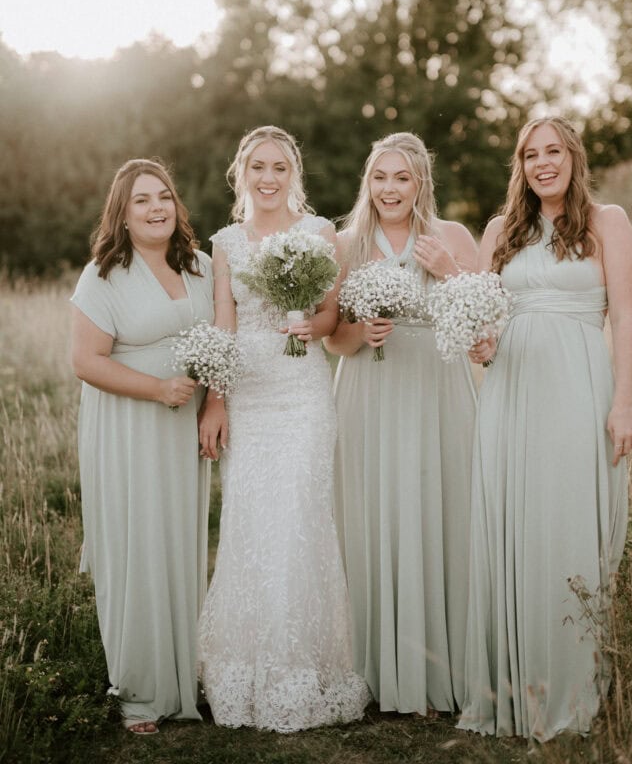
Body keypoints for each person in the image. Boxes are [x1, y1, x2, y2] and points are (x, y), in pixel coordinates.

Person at [458, 116, 632, 742]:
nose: (542, 164)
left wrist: (624, 401)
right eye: (530, 154)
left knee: (565, 523)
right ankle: (511, 688)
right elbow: (479, 318)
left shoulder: (606, 222)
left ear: (572, 157)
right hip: (510, 392)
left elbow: (626, 320)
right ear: (521, 165)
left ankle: (568, 690)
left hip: (577, 389)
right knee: (515, 523)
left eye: (553, 151)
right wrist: (480, 346)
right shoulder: (499, 231)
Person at [197, 125, 370, 732]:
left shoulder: (320, 234)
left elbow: (332, 312)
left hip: (301, 396)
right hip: (247, 394)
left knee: (300, 518)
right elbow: (224, 321)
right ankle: (245, 668)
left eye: (278, 167)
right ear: (241, 173)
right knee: (249, 521)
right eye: (257, 168)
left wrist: (311, 327)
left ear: (293, 172)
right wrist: (215, 402)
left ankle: (302, 668)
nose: (268, 178)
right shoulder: (225, 242)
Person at [325, 132, 478, 716]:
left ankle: (441, 670)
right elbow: (332, 337)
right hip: (369, 390)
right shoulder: (345, 245)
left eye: (402, 178)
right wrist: (360, 335)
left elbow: (484, 317)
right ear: (368, 181)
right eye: (381, 177)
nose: (390, 189)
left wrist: (448, 270)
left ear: (420, 184)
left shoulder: (452, 238)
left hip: (438, 387)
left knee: (441, 511)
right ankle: (374, 670)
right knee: (375, 514)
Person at [70, 159, 213, 735]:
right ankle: (139, 691)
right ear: (122, 216)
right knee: (138, 545)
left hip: (184, 425)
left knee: (179, 543)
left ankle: (184, 677)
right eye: (141, 201)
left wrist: (212, 400)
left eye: (164, 197)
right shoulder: (103, 275)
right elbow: (85, 361)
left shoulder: (200, 265)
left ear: (177, 205)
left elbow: (221, 335)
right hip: (129, 423)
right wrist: (157, 388)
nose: (156, 208)